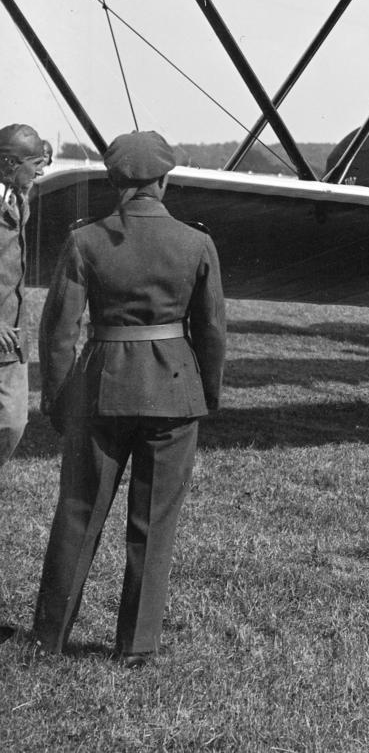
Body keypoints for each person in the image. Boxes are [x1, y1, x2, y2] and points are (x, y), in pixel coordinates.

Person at [30, 131, 226, 665]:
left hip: (100, 393)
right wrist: (205, 395)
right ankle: (137, 648)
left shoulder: (85, 241)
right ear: (164, 181)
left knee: (77, 511)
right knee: (153, 523)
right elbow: (211, 333)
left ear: (114, 181)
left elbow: (59, 331)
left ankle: (49, 638)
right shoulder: (195, 243)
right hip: (173, 396)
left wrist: (57, 398)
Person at [1, 124, 51, 468]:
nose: (42, 170)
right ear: (8, 163)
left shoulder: (17, 198)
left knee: (13, 425)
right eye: (34, 163)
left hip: (13, 339)